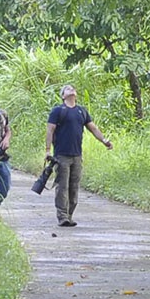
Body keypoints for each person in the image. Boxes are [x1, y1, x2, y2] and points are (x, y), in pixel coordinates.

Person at [45, 84, 112, 227]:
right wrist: (47, 150)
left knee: (74, 186)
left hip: (77, 155)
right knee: (62, 186)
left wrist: (104, 140)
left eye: (72, 88)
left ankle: (69, 215)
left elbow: (93, 128)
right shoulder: (58, 111)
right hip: (61, 155)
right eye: (67, 89)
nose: (71, 89)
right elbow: (50, 130)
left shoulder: (82, 111)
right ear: (63, 96)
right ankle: (62, 216)